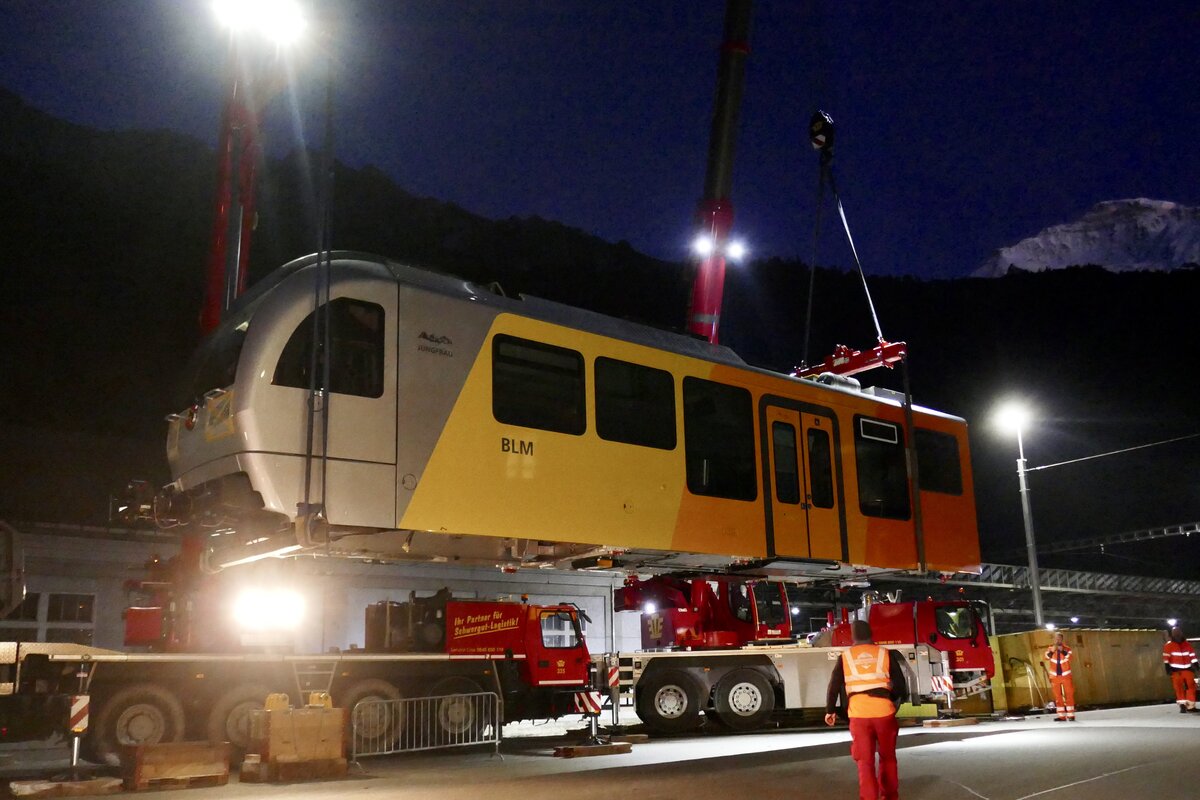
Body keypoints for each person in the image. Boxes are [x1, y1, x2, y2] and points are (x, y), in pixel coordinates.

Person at [825, 619, 908, 800]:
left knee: (865, 763)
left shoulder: (845, 657)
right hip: (884, 713)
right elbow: (901, 686)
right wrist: (891, 700)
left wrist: (830, 710)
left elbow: (833, 686)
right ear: (870, 634)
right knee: (888, 758)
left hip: (859, 715)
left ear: (853, 636)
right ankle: (890, 797)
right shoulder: (884, 654)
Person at [1162, 626, 1198, 713]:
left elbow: (1192, 656)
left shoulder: (1187, 644)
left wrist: (1196, 665)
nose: (1177, 634)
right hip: (1176, 670)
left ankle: (1190, 706)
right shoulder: (1168, 646)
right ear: (1172, 634)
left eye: (1178, 632)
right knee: (1179, 688)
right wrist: (1168, 668)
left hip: (1187, 669)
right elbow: (1166, 659)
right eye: (1175, 633)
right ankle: (1183, 705)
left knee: (1191, 687)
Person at [1044, 632, 1076, 721]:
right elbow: (1046, 657)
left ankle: (1071, 715)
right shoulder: (1050, 648)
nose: (1057, 640)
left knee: (1069, 695)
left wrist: (1062, 651)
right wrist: (1052, 651)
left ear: (1062, 639)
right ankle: (1061, 716)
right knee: (1058, 697)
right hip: (1055, 677)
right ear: (1054, 639)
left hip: (1066, 675)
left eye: (1059, 638)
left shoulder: (1067, 648)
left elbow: (1070, 657)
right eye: (1056, 638)